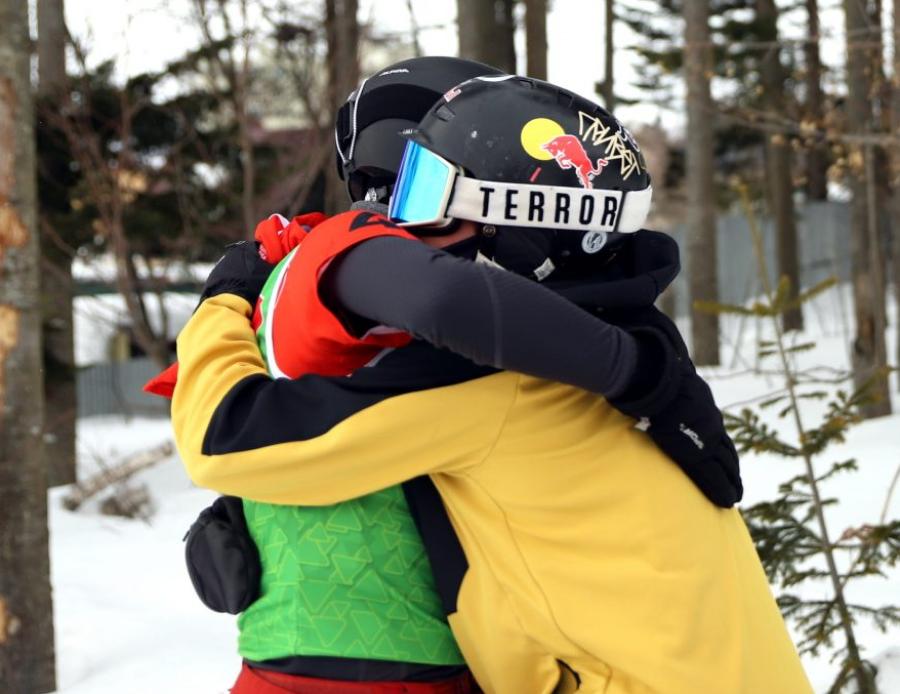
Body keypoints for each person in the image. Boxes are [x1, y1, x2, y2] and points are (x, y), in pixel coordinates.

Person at [171, 76, 810, 693]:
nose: (398, 225)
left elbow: (223, 436)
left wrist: (223, 302)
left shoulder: (491, 382)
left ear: (518, 231)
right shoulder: (618, 333)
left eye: (424, 199)